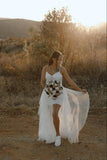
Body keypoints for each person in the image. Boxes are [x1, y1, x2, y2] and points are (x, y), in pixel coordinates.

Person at [38, 50, 89, 147]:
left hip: (59, 94)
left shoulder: (62, 69)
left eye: (61, 59)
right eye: (59, 59)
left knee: (54, 113)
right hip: (48, 94)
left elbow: (70, 81)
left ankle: (58, 136)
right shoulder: (45, 68)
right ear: (53, 59)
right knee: (50, 115)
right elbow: (42, 82)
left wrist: (80, 90)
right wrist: (47, 90)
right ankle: (51, 134)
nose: (61, 61)